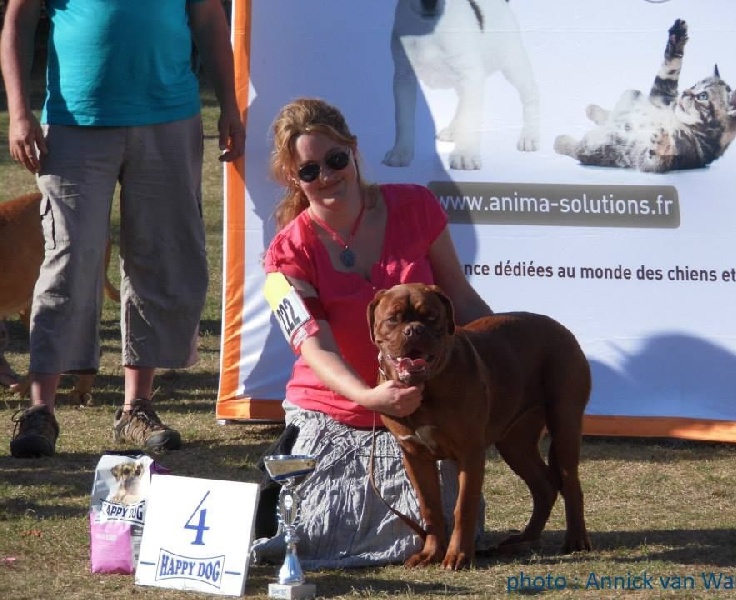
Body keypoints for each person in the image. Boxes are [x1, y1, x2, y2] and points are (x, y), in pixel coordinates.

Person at [250, 98, 493, 568]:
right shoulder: (286, 253)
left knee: (448, 528)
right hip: (338, 408)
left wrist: (502, 358)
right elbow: (312, 344)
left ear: (354, 150)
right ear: (293, 178)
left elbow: (461, 299)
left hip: (429, 404)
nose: (326, 176)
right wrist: (369, 397)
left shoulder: (416, 205)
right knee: (318, 533)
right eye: (309, 170)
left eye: (336, 160)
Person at [2, 0, 245, 459]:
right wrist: (19, 110)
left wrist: (229, 104)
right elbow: (18, 17)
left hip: (170, 116)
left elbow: (210, 19)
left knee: (160, 257)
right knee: (69, 260)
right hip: (75, 119)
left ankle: (137, 407)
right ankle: (40, 411)